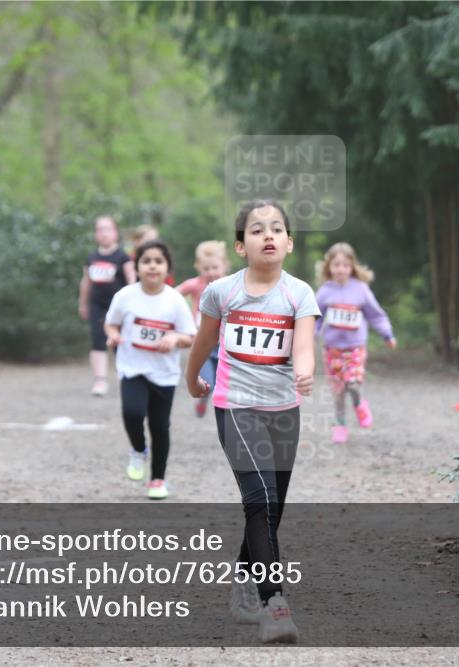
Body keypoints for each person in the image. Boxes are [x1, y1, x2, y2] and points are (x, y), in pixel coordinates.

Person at [185, 200, 319, 644]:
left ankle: (244, 579)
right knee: (259, 499)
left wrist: (304, 370)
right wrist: (191, 381)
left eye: (276, 229)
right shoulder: (222, 292)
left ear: (289, 243)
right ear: (241, 246)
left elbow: (302, 345)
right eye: (257, 230)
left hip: (283, 409)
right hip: (236, 405)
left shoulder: (299, 293)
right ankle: (274, 605)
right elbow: (203, 343)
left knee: (273, 505)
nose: (268, 235)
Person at [105, 240, 195, 500]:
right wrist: (114, 337)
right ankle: (137, 450)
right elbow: (111, 325)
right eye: (146, 261)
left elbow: (190, 336)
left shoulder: (175, 300)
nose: (152, 266)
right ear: (137, 266)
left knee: (159, 426)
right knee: (132, 413)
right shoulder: (125, 296)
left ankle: (157, 479)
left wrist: (174, 339)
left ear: (167, 267)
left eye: (158, 261)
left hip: (164, 373)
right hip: (133, 368)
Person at [315, 242, 396, 444]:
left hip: (355, 348)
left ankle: (360, 405)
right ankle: (340, 424)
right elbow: (315, 317)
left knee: (352, 384)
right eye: (336, 264)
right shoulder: (325, 292)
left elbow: (376, 315)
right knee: (338, 391)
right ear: (329, 267)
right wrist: (310, 336)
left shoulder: (360, 290)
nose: (340, 269)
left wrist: (387, 334)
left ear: (352, 267)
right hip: (332, 349)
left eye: (345, 264)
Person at [79, 215, 135, 397]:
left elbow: (131, 281)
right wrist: (83, 304)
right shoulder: (92, 257)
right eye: (100, 229)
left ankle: (125, 377)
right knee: (97, 340)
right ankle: (100, 380)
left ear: (116, 232)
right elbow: (86, 282)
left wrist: (133, 305)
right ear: (95, 234)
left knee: (120, 341)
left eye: (108, 229)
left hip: (118, 307)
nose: (104, 233)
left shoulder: (122, 257)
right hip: (97, 305)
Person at [176, 241, 230, 417]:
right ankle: (203, 399)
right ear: (198, 267)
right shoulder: (195, 284)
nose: (211, 272)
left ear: (224, 265)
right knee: (207, 382)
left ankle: (226, 411)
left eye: (215, 267)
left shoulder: (232, 285)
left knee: (225, 383)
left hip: (225, 343)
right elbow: (171, 296)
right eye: (206, 269)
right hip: (202, 342)